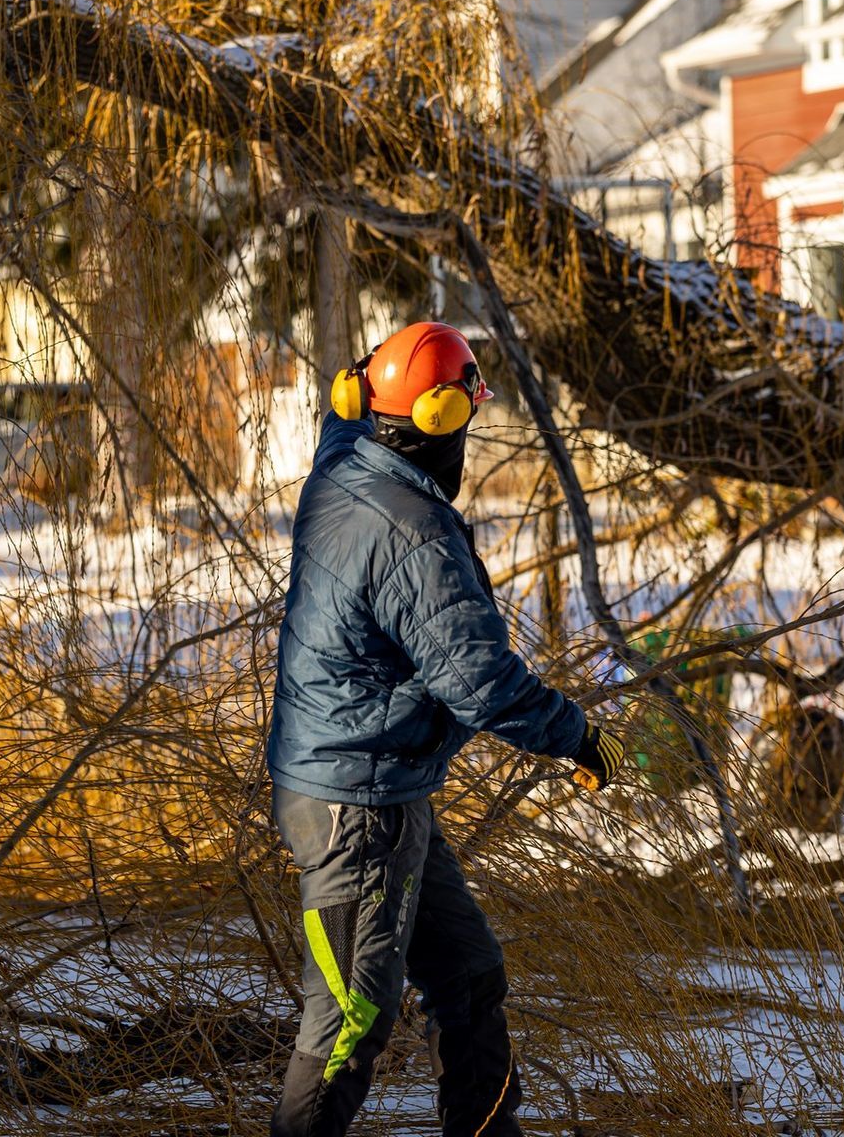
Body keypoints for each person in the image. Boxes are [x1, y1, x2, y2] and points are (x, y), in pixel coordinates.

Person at [265, 320, 625, 1137]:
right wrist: (575, 735)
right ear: (436, 425)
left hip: (380, 789)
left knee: (466, 973)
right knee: (350, 1022)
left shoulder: (343, 467)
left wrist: (363, 376)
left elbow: (343, 410)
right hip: (355, 806)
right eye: (464, 413)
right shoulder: (413, 534)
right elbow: (478, 683)